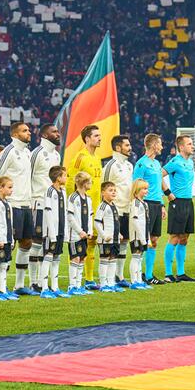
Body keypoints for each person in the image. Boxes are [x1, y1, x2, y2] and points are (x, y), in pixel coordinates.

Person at [0, 122, 34, 294]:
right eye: (25, 131)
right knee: (9, 244)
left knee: (27, 243)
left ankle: (19, 284)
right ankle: (2, 285)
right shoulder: (8, 152)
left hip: (25, 204)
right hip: (12, 205)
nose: (29, 133)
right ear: (15, 134)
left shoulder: (27, 152)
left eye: (28, 130)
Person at [65, 124, 103, 289]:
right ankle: (75, 281)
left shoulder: (97, 158)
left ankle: (89, 279)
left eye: (99, 135)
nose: (99, 138)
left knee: (92, 242)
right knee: (78, 243)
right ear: (87, 139)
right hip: (81, 208)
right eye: (96, 136)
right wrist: (72, 202)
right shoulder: (80, 157)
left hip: (95, 205)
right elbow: (69, 181)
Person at [30, 124, 62, 292]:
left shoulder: (56, 155)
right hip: (38, 203)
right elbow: (27, 177)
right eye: (54, 132)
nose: (58, 134)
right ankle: (33, 282)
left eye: (57, 131)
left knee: (47, 243)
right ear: (44, 134)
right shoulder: (36, 153)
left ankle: (42, 281)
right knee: (36, 241)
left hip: (53, 205)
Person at [161, 135, 195, 283]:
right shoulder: (175, 162)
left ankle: (181, 273)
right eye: (189, 144)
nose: (192, 146)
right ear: (181, 147)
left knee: (185, 237)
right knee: (174, 237)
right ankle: (168, 274)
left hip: (189, 202)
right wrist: (168, 193)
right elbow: (158, 175)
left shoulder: (190, 162)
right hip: (177, 202)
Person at [132, 133, 165, 285]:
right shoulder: (141, 164)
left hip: (157, 204)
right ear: (153, 145)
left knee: (154, 239)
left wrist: (163, 205)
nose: (162, 147)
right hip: (146, 204)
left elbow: (158, 186)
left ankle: (149, 274)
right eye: (160, 144)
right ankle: (139, 273)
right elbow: (136, 185)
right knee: (144, 239)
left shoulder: (157, 164)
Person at [104, 135, 134, 286]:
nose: (130, 148)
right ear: (118, 148)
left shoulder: (129, 165)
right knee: (113, 243)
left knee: (125, 241)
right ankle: (109, 277)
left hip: (127, 209)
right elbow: (105, 188)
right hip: (114, 210)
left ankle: (119, 276)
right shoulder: (111, 165)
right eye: (127, 145)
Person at [40, 166, 69, 299]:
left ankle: (55, 287)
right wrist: (51, 233)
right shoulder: (50, 191)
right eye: (64, 175)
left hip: (60, 229)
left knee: (56, 257)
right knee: (48, 256)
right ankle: (44, 288)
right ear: (58, 178)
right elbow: (48, 212)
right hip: (50, 231)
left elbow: (65, 212)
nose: (66, 178)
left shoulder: (63, 191)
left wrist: (65, 231)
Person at [0, 175, 18, 301]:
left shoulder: (7, 204)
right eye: (9, 187)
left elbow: (9, 223)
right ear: (0, 188)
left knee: (4, 265)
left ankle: (2, 289)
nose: (11, 190)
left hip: (7, 239)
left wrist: (10, 238)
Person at [67, 172, 94, 296]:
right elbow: (70, 216)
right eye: (89, 182)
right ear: (83, 183)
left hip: (84, 235)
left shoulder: (88, 199)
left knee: (82, 258)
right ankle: (72, 286)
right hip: (75, 235)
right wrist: (80, 231)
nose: (91, 184)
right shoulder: (73, 197)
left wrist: (90, 231)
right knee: (75, 258)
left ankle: (78, 285)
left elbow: (89, 216)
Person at [93, 181, 121, 292]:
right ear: (103, 193)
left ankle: (111, 282)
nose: (113, 192)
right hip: (105, 240)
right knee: (104, 259)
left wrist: (118, 234)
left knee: (113, 259)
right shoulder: (103, 206)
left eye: (114, 190)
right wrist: (104, 235)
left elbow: (115, 223)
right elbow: (97, 222)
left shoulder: (114, 206)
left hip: (115, 239)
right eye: (110, 190)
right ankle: (103, 283)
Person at [128, 179, 151, 289]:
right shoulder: (135, 203)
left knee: (140, 257)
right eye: (144, 189)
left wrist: (148, 238)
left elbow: (146, 222)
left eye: (147, 188)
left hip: (143, 235)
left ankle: (139, 280)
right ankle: (134, 281)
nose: (147, 191)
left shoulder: (144, 203)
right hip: (137, 235)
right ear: (137, 190)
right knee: (136, 256)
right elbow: (134, 220)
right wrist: (141, 237)